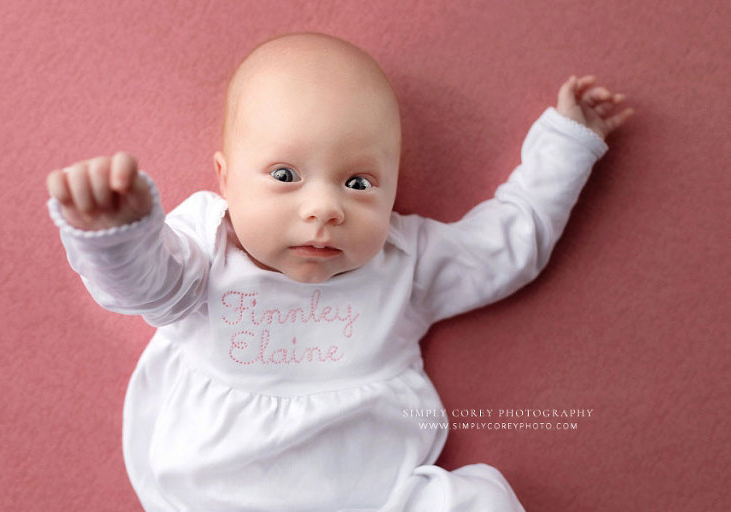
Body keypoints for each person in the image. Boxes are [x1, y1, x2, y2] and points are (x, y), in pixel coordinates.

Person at [46, 32, 633, 511]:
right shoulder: (204, 259)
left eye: (358, 183)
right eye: (285, 176)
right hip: (220, 490)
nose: (325, 208)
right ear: (225, 179)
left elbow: (509, 244)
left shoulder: (405, 263)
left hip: (380, 494)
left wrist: (565, 148)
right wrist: (118, 232)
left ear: (393, 187)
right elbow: (143, 285)